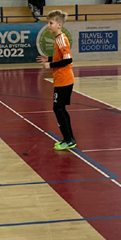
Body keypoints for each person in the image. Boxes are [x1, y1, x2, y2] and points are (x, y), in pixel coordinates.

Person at [37, 10, 76, 151]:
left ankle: (69, 139)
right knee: (60, 108)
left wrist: (50, 64)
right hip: (61, 79)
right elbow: (61, 57)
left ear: (59, 25)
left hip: (64, 79)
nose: (48, 25)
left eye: (51, 23)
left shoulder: (61, 39)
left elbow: (68, 60)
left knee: (58, 108)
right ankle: (69, 138)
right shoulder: (58, 38)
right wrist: (50, 58)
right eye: (48, 23)